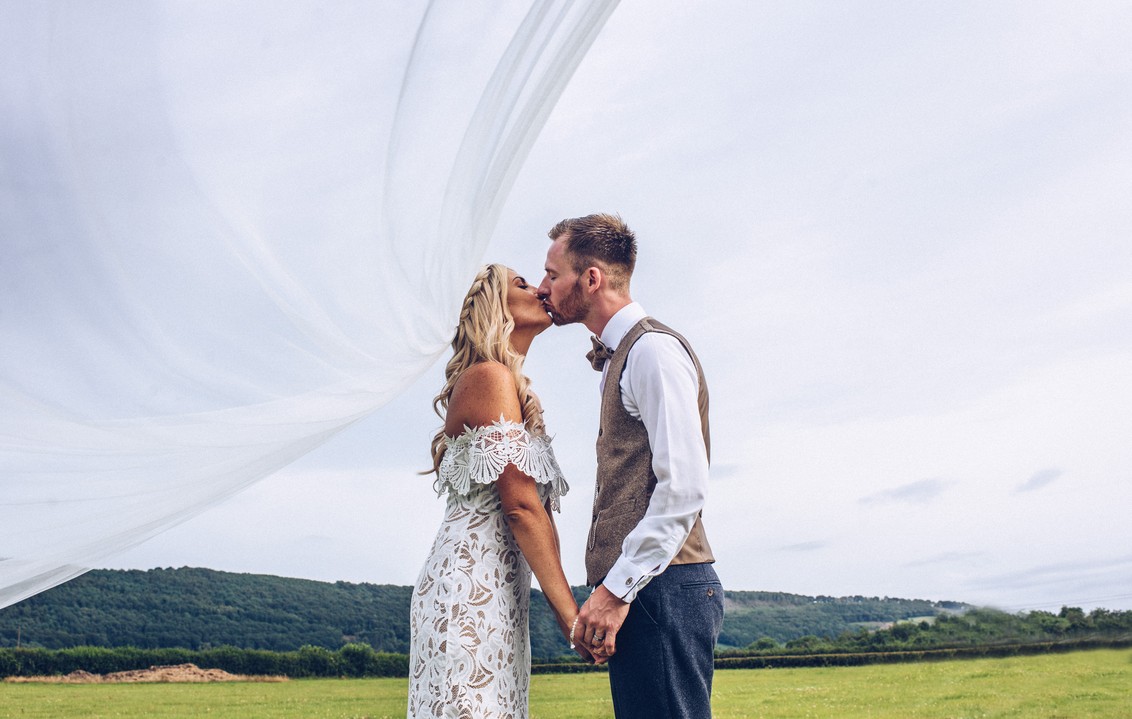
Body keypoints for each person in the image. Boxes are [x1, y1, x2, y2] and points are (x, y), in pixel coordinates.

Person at [537, 214, 724, 718]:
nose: (542, 288)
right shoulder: (622, 355)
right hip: (645, 590)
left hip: (661, 590)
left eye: (553, 275)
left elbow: (683, 487)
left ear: (591, 278)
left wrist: (616, 590)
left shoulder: (653, 353)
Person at [407, 263, 590, 718]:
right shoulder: (488, 376)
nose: (539, 289)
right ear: (496, 306)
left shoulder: (514, 389)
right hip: (468, 589)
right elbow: (522, 508)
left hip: (504, 599)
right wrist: (571, 616)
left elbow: (540, 515)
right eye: (522, 284)